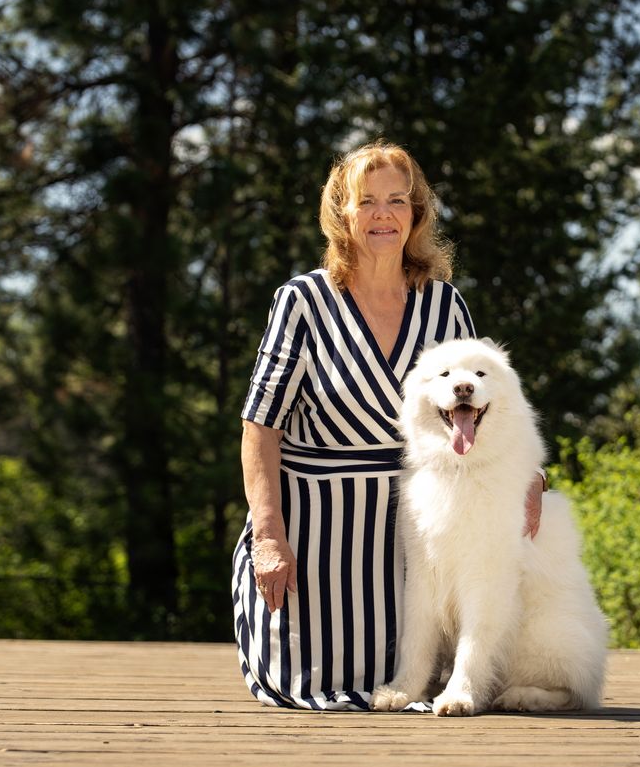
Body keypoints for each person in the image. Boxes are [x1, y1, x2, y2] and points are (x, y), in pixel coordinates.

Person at [232, 141, 543, 709]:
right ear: (341, 214)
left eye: (397, 200)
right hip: (315, 541)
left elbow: (493, 398)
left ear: (415, 213)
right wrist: (268, 536)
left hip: (420, 538)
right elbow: (260, 427)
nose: (382, 214)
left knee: (415, 672)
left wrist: (533, 476)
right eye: (366, 201)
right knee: (306, 683)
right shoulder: (301, 302)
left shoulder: (445, 304)